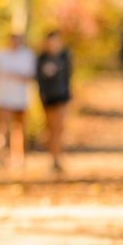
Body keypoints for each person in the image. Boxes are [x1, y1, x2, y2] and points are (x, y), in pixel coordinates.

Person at [0, 32, 36, 168]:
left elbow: (30, 76)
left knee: (20, 129)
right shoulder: (0, 56)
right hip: (4, 98)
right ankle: (0, 157)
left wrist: (16, 76)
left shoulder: (27, 56)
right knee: (2, 128)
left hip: (21, 98)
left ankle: (19, 158)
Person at [36, 30, 72, 173]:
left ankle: (57, 158)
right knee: (50, 129)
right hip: (47, 98)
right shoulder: (42, 58)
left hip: (61, 96)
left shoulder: (64, 56)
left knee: (58, 129)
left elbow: (68, 77)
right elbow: (39, 78)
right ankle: (53, 157)